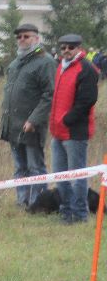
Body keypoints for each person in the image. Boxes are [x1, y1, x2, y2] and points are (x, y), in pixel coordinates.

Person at [0, 23, 56, 208]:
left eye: (26, 36)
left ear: (36, 39)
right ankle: (22, 201)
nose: (22, 40)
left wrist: (34, 119)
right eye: (19, 37)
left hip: (32, 125)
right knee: (19, 167)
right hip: (14, 125)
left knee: (35, 167)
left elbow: (49, 94)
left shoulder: (45, 61)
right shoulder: (16, 63)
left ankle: (38, 204)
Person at [49, 33, 98, 224]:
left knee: (77, 176)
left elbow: (87, 100)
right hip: (57, 131)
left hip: (75, 132)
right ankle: (66, 211)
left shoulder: (87, 68)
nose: (66, 51)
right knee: (60, 175)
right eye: (63, 48)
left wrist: (68, 119)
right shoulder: (61, 66)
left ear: (78, 48)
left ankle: (80, 214)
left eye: (71, 47)